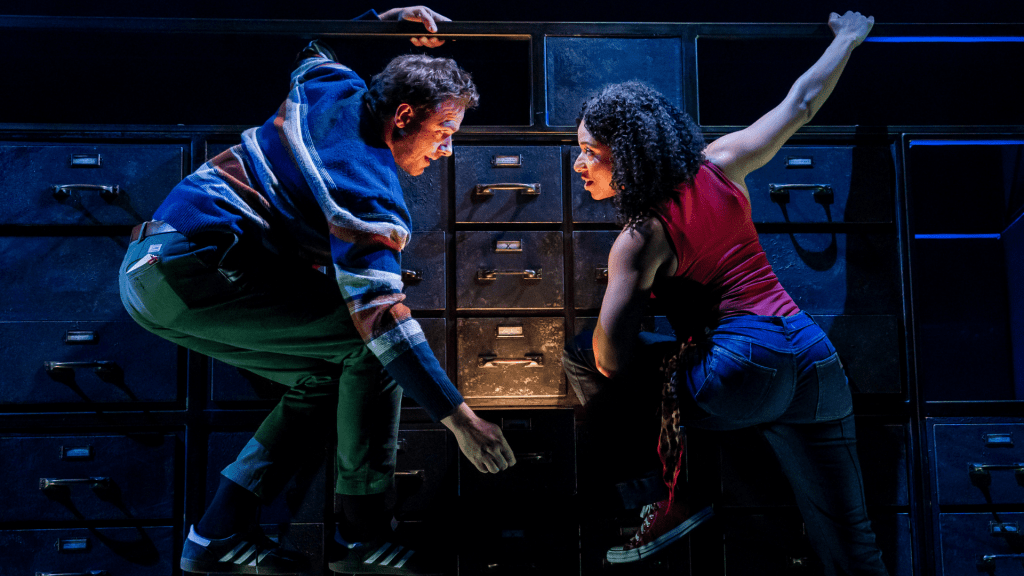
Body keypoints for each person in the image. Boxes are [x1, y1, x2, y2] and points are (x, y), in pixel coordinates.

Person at [118, 6, 516, 575]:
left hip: (153, 276)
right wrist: (460, 419)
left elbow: (315, 43)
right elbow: (382, 319)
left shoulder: (334, 84)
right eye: (444, 133)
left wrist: (381, 19)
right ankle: (363, 533)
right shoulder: (365, 186)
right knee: (367, 351)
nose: (446, 150)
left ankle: (217, 534)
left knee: (325, 377)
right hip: (194, 271)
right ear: (404, 116)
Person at [563, 10, 890, 575]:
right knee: (853, 545)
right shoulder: (722, 161)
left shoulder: (639, 240)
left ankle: (670, 498)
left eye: (591, 152)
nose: (578, 165)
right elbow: (802, 103)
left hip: (741, 367)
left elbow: (611, 360)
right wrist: (849, 39)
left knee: (581, 351)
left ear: (630, 156)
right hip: (815, 360)